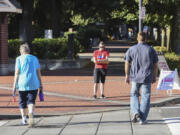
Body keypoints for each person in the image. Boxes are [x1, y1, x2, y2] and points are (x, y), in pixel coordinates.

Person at [124, 32, 158, 124]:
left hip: (135, 77)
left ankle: (135, 112)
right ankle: (142, 118)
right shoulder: (151, 50)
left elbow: (127, 63)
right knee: (145, 96)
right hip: (147, 77)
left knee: (134, 94)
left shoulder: (132, 49)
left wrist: (127, 75)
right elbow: (155, 65)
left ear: (137, 39)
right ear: (146, 39)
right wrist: (154, 76)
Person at [12, 44, 43, 127]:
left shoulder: (18, 59)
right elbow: (38, 72)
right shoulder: (34, 58)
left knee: (22, 102)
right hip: (34, 82)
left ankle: (24, 119)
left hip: (22, 83)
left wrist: (14, 84)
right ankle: (31, 112)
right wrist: (40, 83)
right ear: (28, 50)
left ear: (21, 51)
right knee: (31, 101)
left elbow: (17, 72)